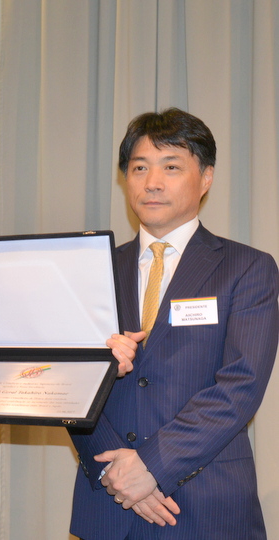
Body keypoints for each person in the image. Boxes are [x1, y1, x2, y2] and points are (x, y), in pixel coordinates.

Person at [70, 108, 279, 539]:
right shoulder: (90, 270)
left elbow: (240, 386)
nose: (152, 182)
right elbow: (67, 381)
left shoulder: (247, 268)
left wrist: (151, 466)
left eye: (171, 167)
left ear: (206, 178)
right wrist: (114, 471)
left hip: (207, 503)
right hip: (109, 501)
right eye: (139, 168)